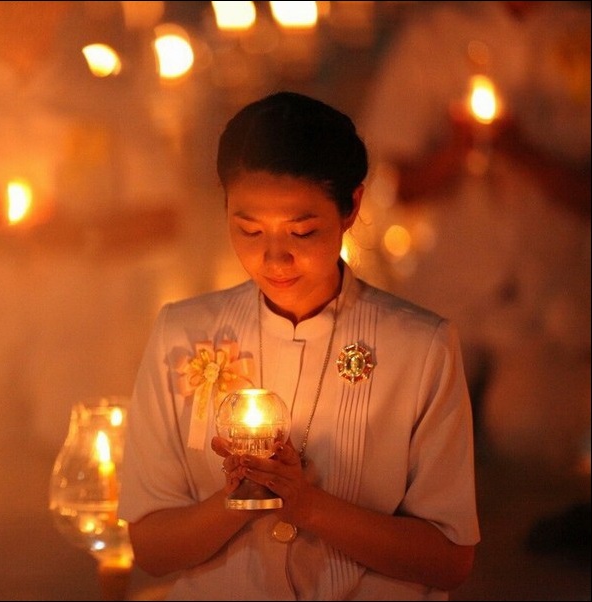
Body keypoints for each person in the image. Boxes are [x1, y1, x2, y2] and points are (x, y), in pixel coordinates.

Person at [118, 91, 480, 600]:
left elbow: (448, 559)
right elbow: (152, 548)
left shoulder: (419, 347)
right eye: (248, 229)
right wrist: (238, 497)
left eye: (302, 231)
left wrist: (306, 505)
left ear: (351, 205)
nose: (275, 258)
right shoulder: (183, 333)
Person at [354, 1, 591, 462]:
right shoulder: (437, 32)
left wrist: (521, 152)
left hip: (558, 295)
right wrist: (461, 148)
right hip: (454, 283)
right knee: (405, 426)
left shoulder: (580, 29)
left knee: (528, 431)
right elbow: (401, 183)